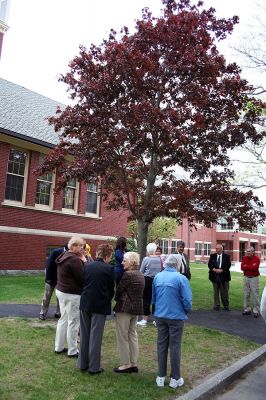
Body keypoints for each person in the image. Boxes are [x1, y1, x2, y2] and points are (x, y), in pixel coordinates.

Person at [152, 254, 192, 389]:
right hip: (175, 317)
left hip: (160, 315)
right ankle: (175, 378)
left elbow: (154, 297)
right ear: (177, 265)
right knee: (175, 346)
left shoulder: (158, 277)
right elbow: (187, 300)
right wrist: (186, 311)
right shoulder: (181, 278)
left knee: (161, 345)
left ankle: (160, 377)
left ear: (165, 264)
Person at [77, 244, 115, 374]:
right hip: (100, 304)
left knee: (84, 334)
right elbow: (111, 290)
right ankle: (94, 367)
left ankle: (82, 363)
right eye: (110, 256)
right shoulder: (109, 269)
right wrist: (107, 299)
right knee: (95, 336)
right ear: (107, 255)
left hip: (85, 302)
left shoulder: (86, 266)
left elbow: (82, 283)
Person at [113, 252, 145, 373]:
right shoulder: (141, 274)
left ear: (131, 262)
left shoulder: (128, 274)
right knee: (132, 335)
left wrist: (116, 299)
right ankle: (134, 363)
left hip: (125, 309)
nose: (122, 262)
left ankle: (126, 364)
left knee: (122, 336)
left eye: (124, 260)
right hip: (136, 309)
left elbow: (119, 290)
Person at [54, 236, 85, 357]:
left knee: (63, 319)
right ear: (73, 246)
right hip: (71, 294)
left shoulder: (64, 255)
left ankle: (59, 347)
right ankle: (72, 351)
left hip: (61, 291)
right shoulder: (74, 260)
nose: (82, 248)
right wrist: (83, 261)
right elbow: (82, 278)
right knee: (73, 322)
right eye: (80, 246)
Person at [39, 244, 68, 320]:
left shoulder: (70, 253)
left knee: (59, 297)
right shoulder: (56, 252)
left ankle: (58, 312)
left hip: (61, 280)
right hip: (51, 278)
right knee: (47, 296)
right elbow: (49, 264)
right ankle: (43, 313)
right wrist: (48, 278)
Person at [137, 242, 162, 327]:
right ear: (155, 250)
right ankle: (156, 320)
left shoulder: (146, 259)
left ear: (148, 250)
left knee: (146, 299)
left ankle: (144, 320)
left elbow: (141, 271)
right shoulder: (160, 259)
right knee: (156, 300)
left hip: (147, 280)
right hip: (157, 280)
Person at [208, 244, 231, 311]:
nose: (216, 249)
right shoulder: (212, 256)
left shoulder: (227, 256)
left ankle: (226, 305)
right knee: (216, 291)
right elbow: (209, 265)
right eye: (216, 248)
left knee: (224, 292)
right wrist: (214, 269)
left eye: (217, 248)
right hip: (214, 276)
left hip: (224, 276)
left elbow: (228, 265)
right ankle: (216, 305)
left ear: (221, 249)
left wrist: (222, 270)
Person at [241, 246, 260, 318]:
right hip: (246, 277)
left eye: (249, 251)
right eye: (247, 251)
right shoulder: (245, 258)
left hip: (254, 278)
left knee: (255, 294)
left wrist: (247, 266)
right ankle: (247, 309)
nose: (247, 253)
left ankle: (256, 311)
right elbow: (242, 267)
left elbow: (255, 268)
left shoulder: (257, 259)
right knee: (246, 294)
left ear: (253, 252)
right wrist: (250, 266)